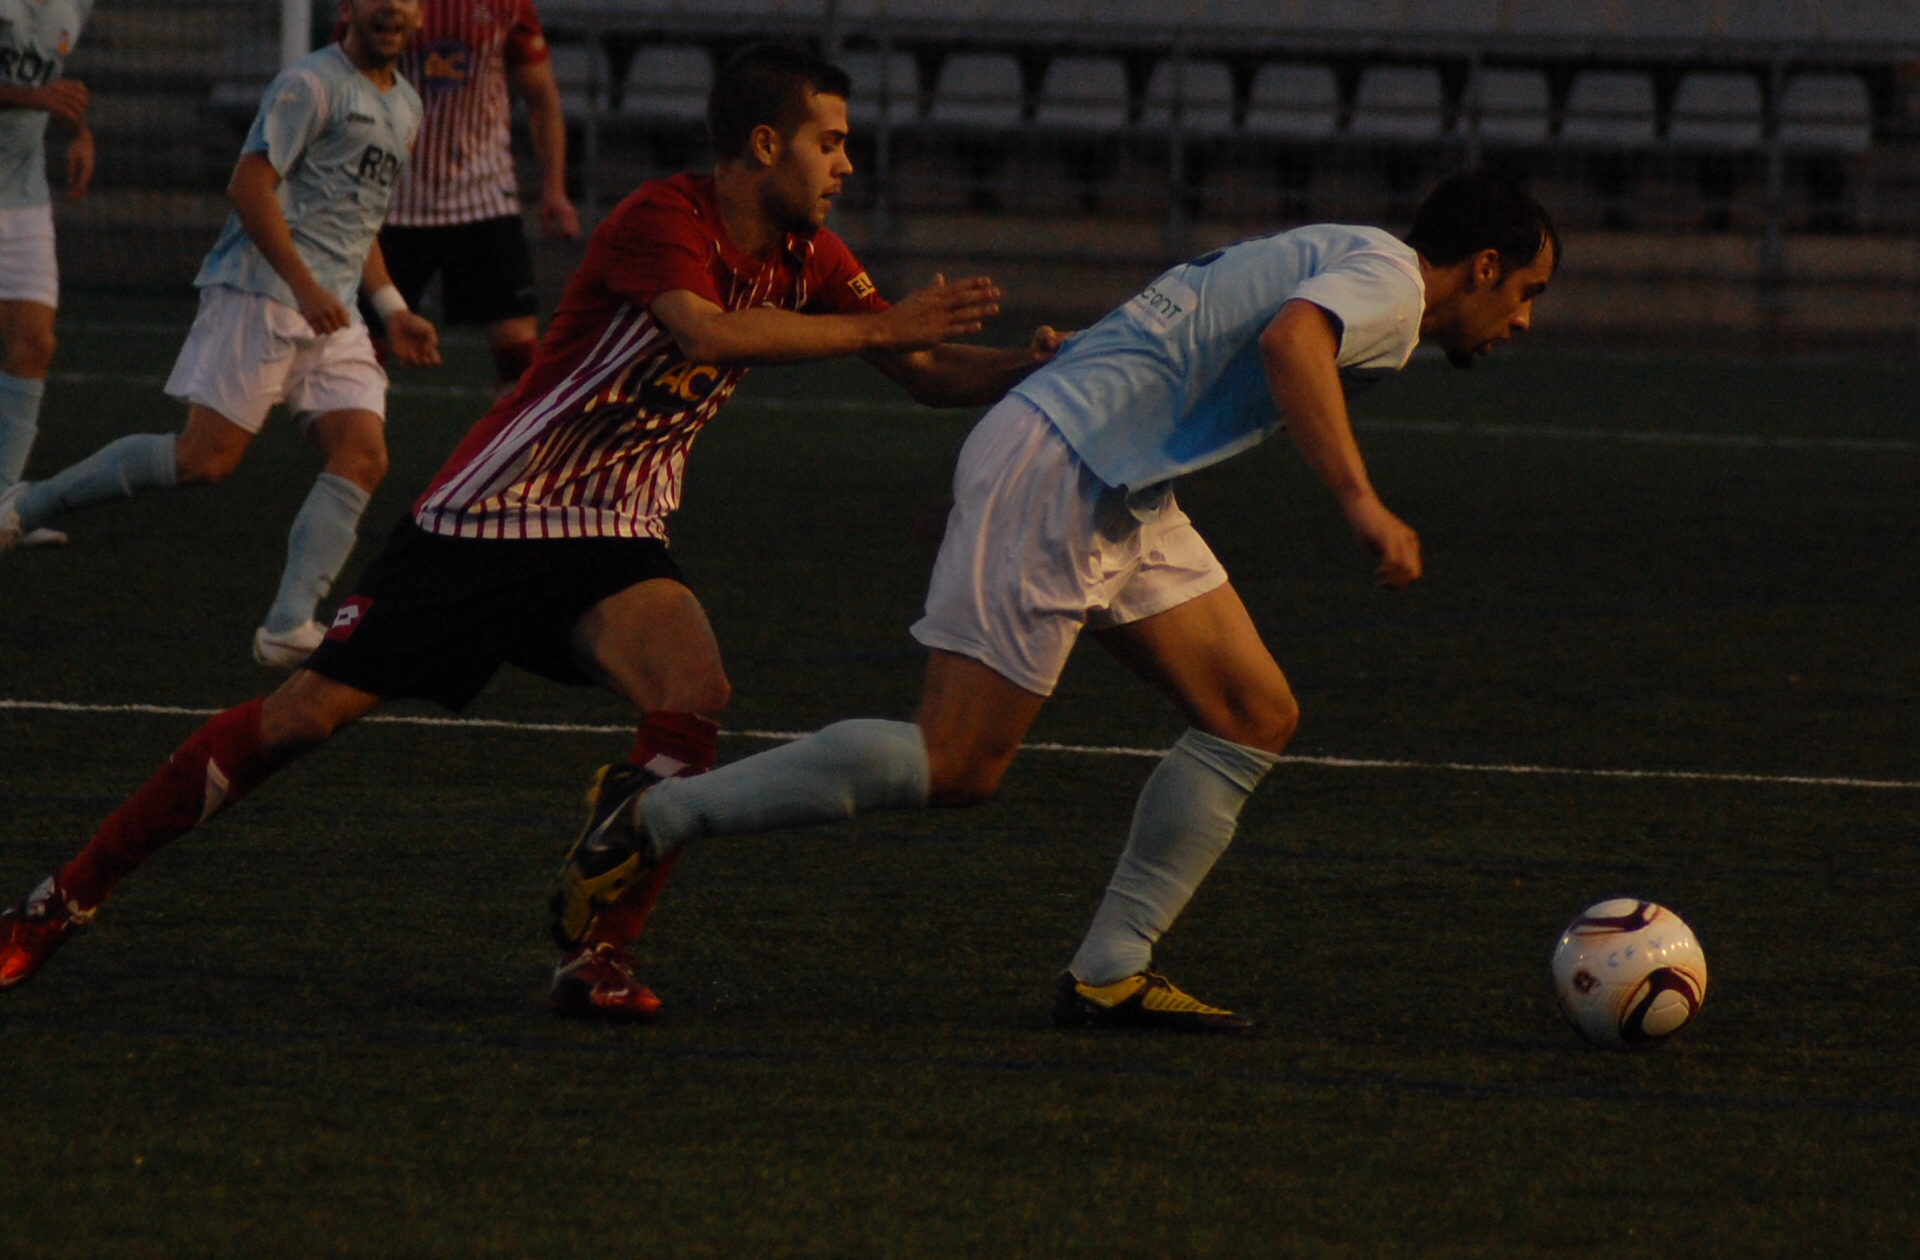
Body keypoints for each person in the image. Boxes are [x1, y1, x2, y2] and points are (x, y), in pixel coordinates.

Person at [0, 44, 1065, 1020]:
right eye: (828, 141)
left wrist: (1032, 366)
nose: (843, 164)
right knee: (301, 721)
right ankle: (62, 897)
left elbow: (925, 378)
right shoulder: (666, 217)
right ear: (762, 145)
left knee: (692, 689)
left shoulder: (815, 257)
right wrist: (881, 325)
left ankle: (596, 952)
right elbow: (704, 328)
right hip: (488, 519)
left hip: (612, 534)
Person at [545, 171, 1559, 1034]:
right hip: (1071, 470)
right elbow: (1292, 345)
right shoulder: (1387, 285)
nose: (1522, 319)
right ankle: (658, 814)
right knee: (957, 762)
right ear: (1482, 265)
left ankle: (1112, 967)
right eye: (1528, 291)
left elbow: (1172, 320)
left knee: (1253, 714)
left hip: (1107, 475)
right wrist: (1364, 507)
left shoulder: (1342, 249)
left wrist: (997, 463)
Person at [0, 0, 442, 668]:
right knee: (204, 461)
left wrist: (392, 308)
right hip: (263, 293)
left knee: (362, 453)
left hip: (331, 312)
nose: (389, 5)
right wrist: (304, 286)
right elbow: (248, 186)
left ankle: (288, 624)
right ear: (348, 7)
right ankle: (26, 504)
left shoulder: (407, 108)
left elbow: (358, 217)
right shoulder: (310, 84)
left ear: (420, 13)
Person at [367, 0, 579, 394]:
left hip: (483, 201)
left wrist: (554, 188)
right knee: (357, 357)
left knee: (520, 360)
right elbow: (344, 84)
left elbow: (541, 98)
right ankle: (350, 458)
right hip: (395, 202)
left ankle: (516, 475)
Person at [0, 0, 94, 548]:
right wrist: (33, 96)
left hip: (25, 198)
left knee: (34, 343)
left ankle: (3, 507)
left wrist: (78, 130)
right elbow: (37, 88)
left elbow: (58, 82)